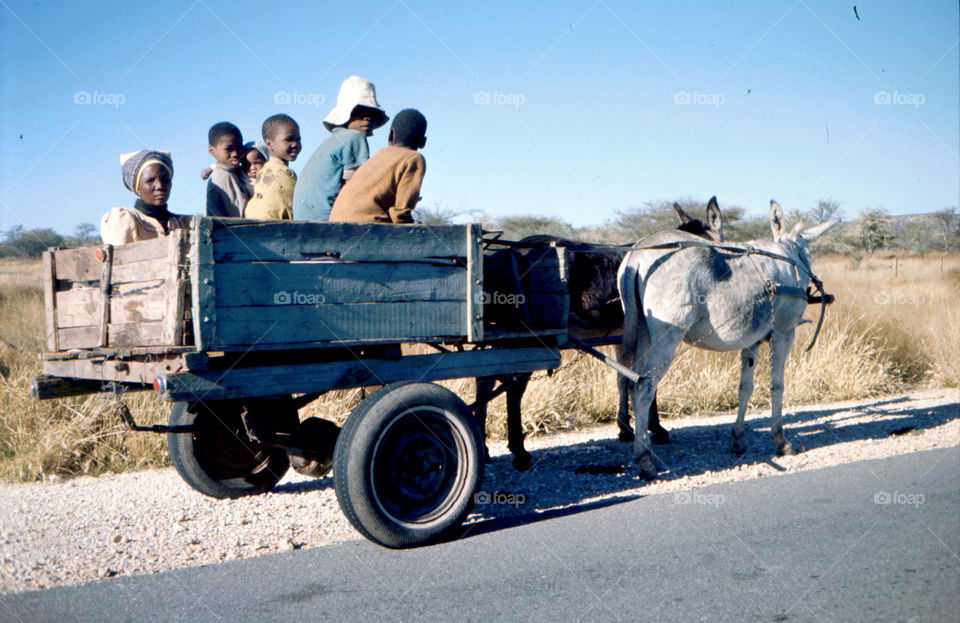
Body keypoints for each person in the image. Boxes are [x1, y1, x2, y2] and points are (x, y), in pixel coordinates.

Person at [293, 76, 388, 221]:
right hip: (327, 221)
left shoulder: (333, 140)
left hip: (305, 219)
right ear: (347, 114)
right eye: (360, 112)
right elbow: (356, 190)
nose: (367, 118)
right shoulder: (355, 137)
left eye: (372, 113)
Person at [328, 109, 426, 224]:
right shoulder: (414, 158)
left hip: (336, 221)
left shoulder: (380, 154)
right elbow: (400, 212)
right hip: (367, 227)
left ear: (390, 135)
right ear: (423, 142)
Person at [101, 150, 191, 244]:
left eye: (165, 179)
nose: (160, 186)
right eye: (150, 180)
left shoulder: (185, 223)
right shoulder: (124, 220)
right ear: (137, 187)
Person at [244, 114, 302, 220]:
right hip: (274, 231)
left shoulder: (263, 171)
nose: (295, 144)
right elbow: (291, 212)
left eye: (298, 139)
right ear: (269, 144)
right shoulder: (285, 174)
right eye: (288, 140)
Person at [205, 122, 251, 217]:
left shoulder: (237, 173)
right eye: (228, 149)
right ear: (212, 151)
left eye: (239, 148)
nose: (235, 153)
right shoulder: (221, 177)